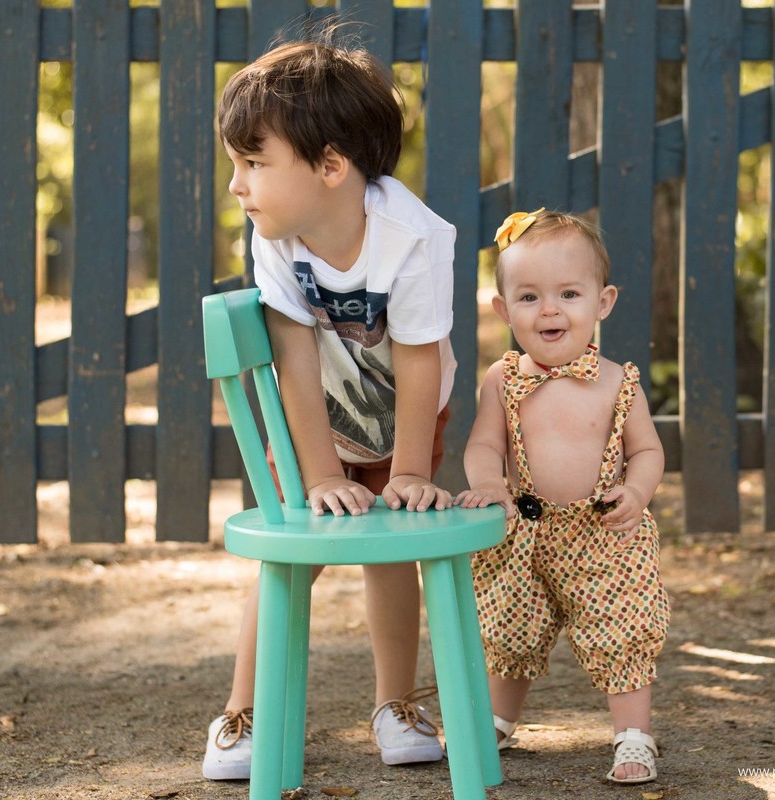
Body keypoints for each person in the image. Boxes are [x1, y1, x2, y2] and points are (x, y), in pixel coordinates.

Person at [202, 32, 458, 781]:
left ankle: (395, 704)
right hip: (315, 419)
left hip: (403, 415)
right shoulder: (276, 238)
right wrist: (318, 474)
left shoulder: (411, 239)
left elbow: (419, 359)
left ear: (331, 165)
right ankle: (243, 713)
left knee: (394, 549)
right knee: (293, 559)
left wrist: (408, 471)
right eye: (235, 164)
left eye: (254, 163)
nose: (237, 186)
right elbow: (294, 355)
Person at [455, 209, 671, 784]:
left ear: (603, 302)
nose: (549, 310)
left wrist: (636, 491)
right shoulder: (502, 379)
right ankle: (496, 722)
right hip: (524, 534)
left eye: (569, 294)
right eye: (529, 297)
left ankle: (633, 736)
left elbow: (648, 451)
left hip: (604, 536)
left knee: (621, 629)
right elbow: (484, 444)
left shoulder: (618, 381)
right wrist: (489, 484)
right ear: (504, 311)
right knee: (509, 627)